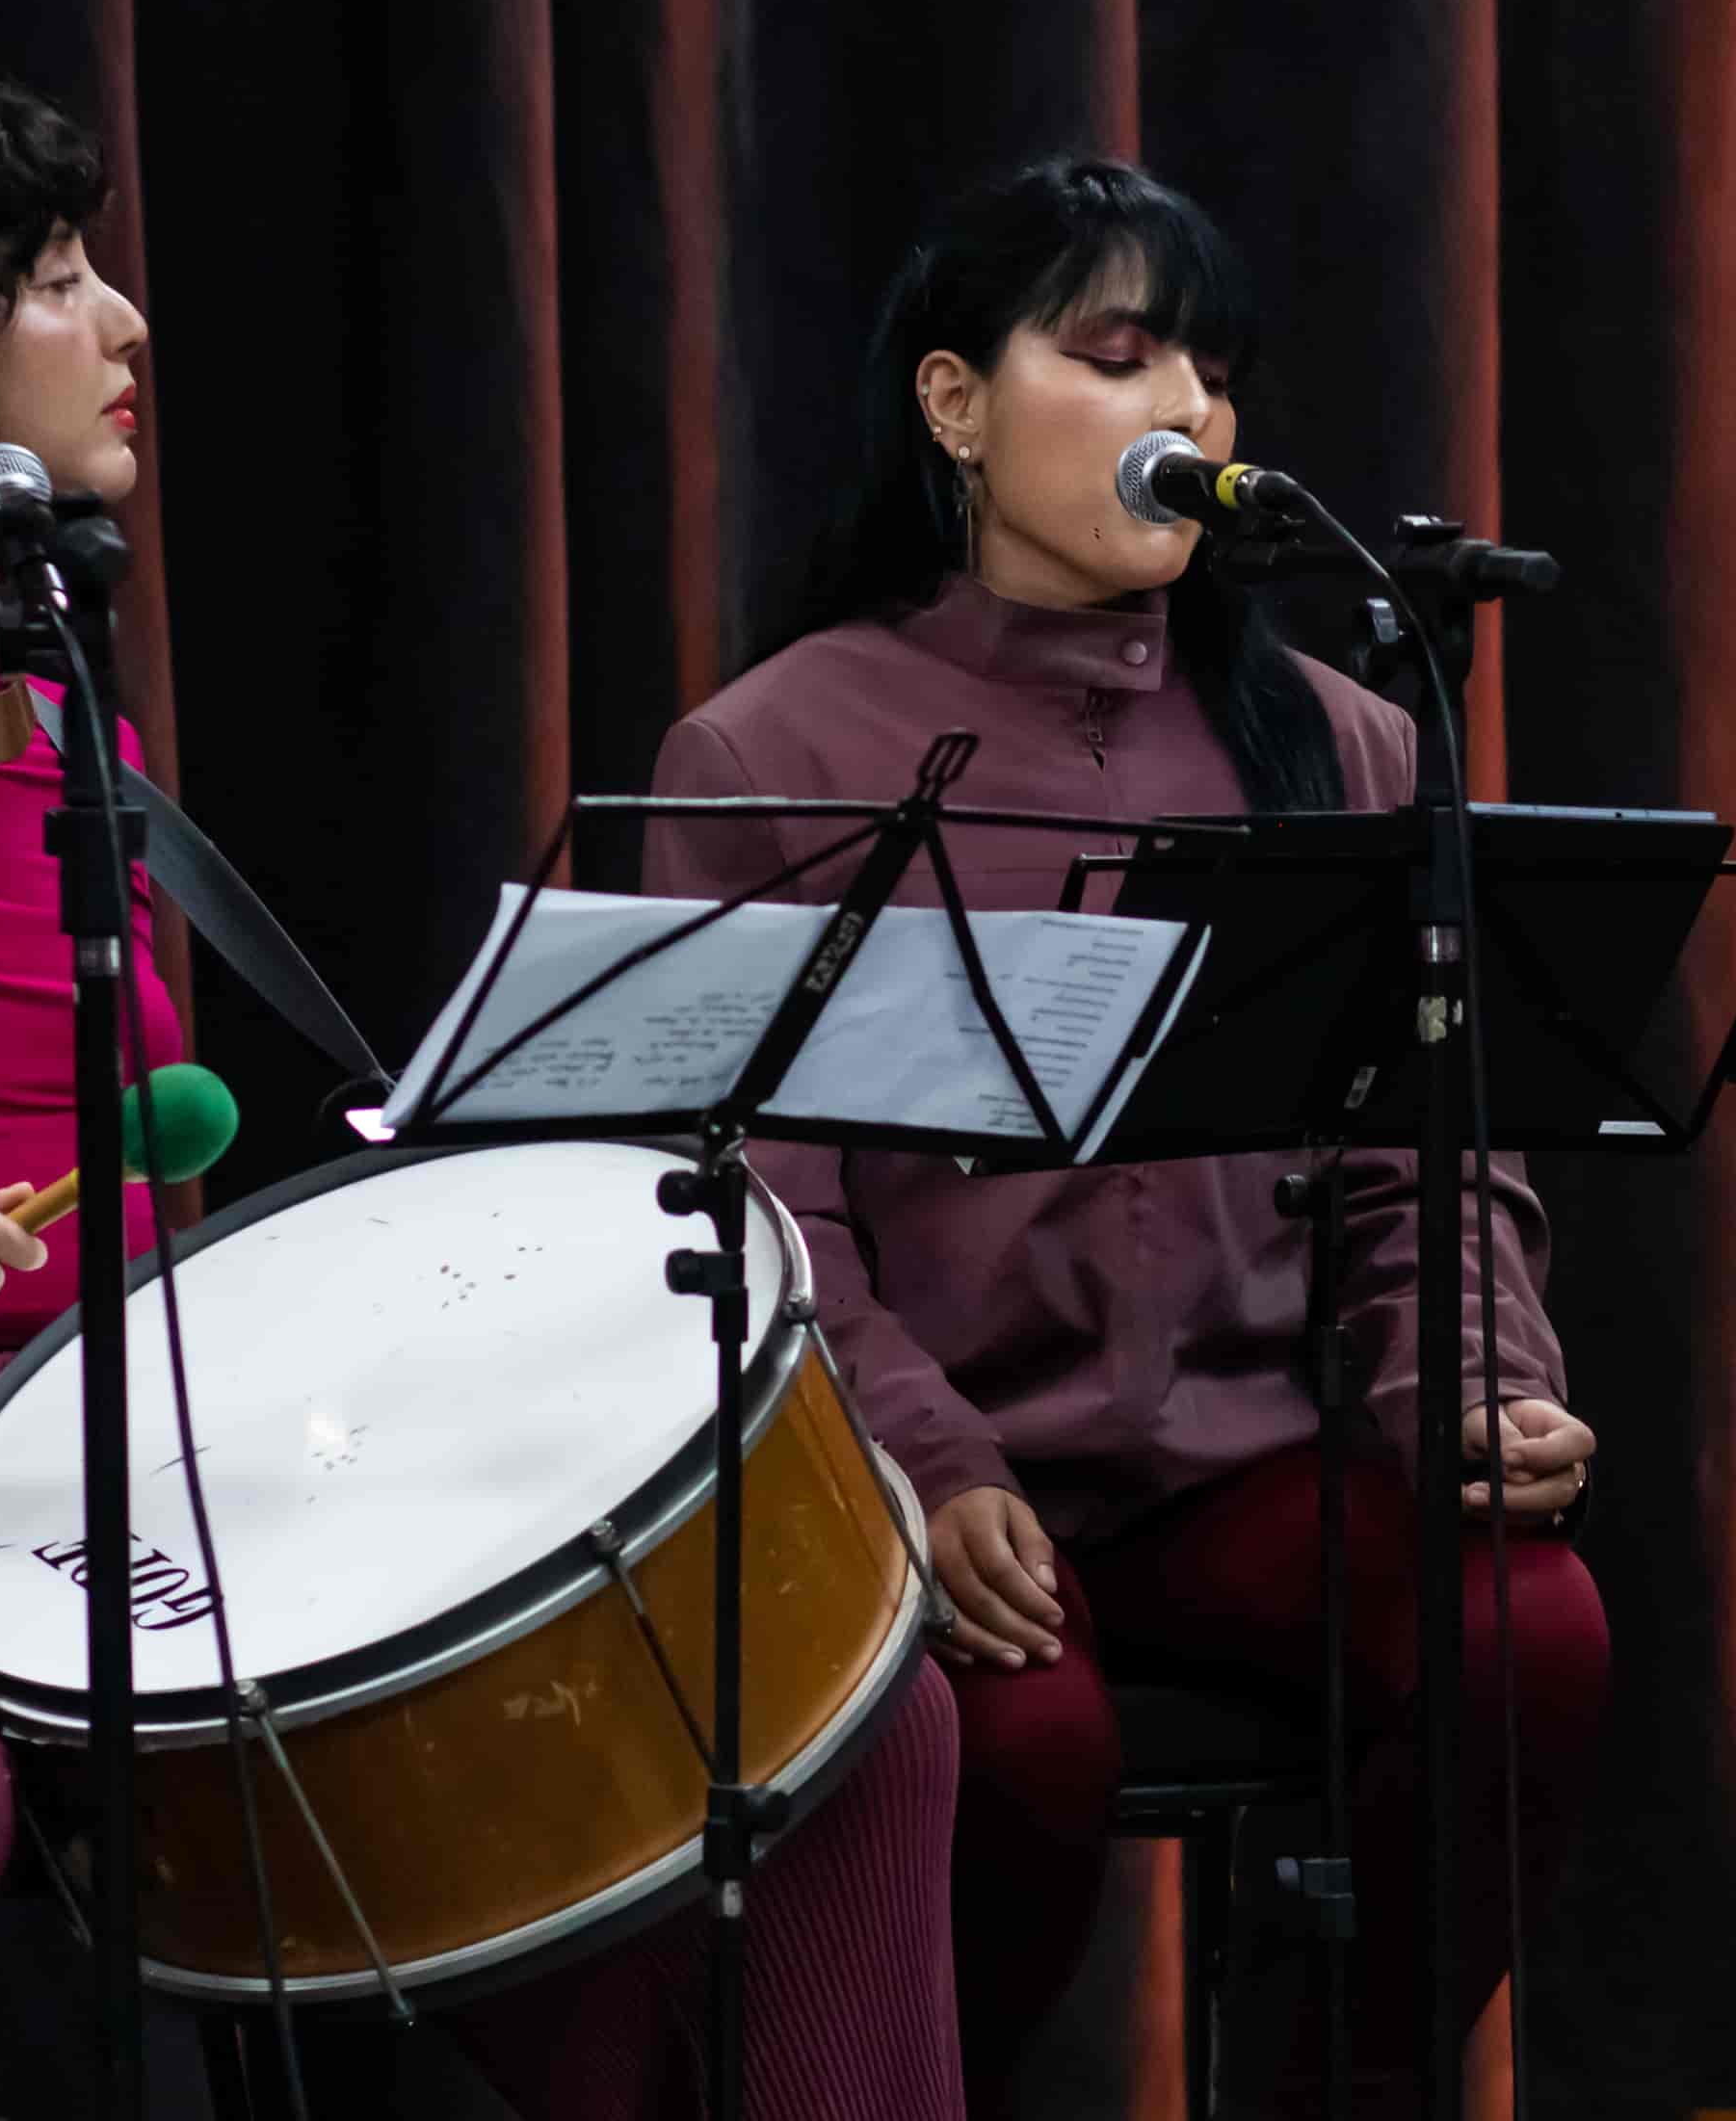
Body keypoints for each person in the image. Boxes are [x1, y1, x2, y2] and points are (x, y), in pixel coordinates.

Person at [0, 48, 962, 2121]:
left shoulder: (102, 762)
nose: (129, 325)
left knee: (826, 1678)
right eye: (60, 275)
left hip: (166, 1498)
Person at [639, 155, 1613, 2117]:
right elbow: (759, 1198)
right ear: (955, 406)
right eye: (1119, 351)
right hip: (940, 1476)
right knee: (1026, 1746)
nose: (1191, 407)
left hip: (1235, 1462)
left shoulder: (1345, 737)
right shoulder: (769, 747)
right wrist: (920, 1455)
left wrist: (1473, 1384)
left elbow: (1425, 1148)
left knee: (1534, 1628)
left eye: (1215, 368)